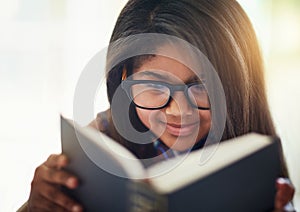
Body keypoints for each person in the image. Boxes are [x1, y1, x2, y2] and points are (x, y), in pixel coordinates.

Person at [19, 0, 295, 211]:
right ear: (125, 79)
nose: (179, 111)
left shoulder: (253, 159)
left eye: (202, 86)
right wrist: (34, 207)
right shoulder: (101, 146)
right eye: (155, 87)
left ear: (238, 85)